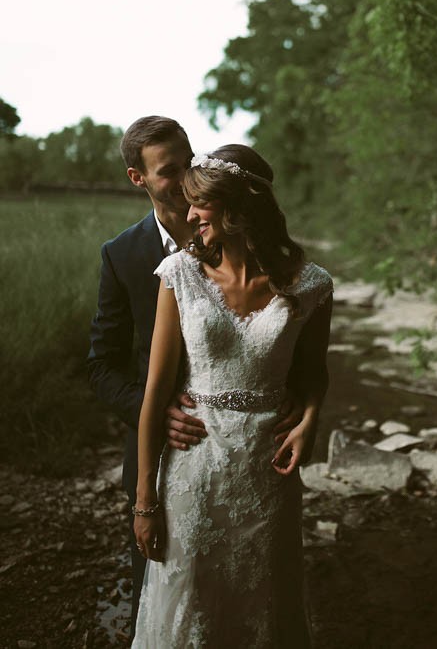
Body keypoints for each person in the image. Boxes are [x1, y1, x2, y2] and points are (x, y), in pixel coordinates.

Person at [87, 118, 301, 639]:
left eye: (191, 162)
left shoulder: (243, 234)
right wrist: (157, 410)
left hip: (251, 455)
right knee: (168, 605)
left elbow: (287, 351)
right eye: (171, 171)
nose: (186, 180)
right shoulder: (123, 255)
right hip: (166, 454)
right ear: (139, 178)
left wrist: (308, 406)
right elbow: (101, 364)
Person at [131, 145, 333, 648]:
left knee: (263, 603)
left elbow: (314, 375)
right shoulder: (178, 274)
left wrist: (310, 419)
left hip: (267, 471)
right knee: (192, 605)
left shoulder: (310, 286)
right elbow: (156, 391)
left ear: (240, 209)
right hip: (194, 466)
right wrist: (144, 500)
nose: (190, 213)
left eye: (201, 203)